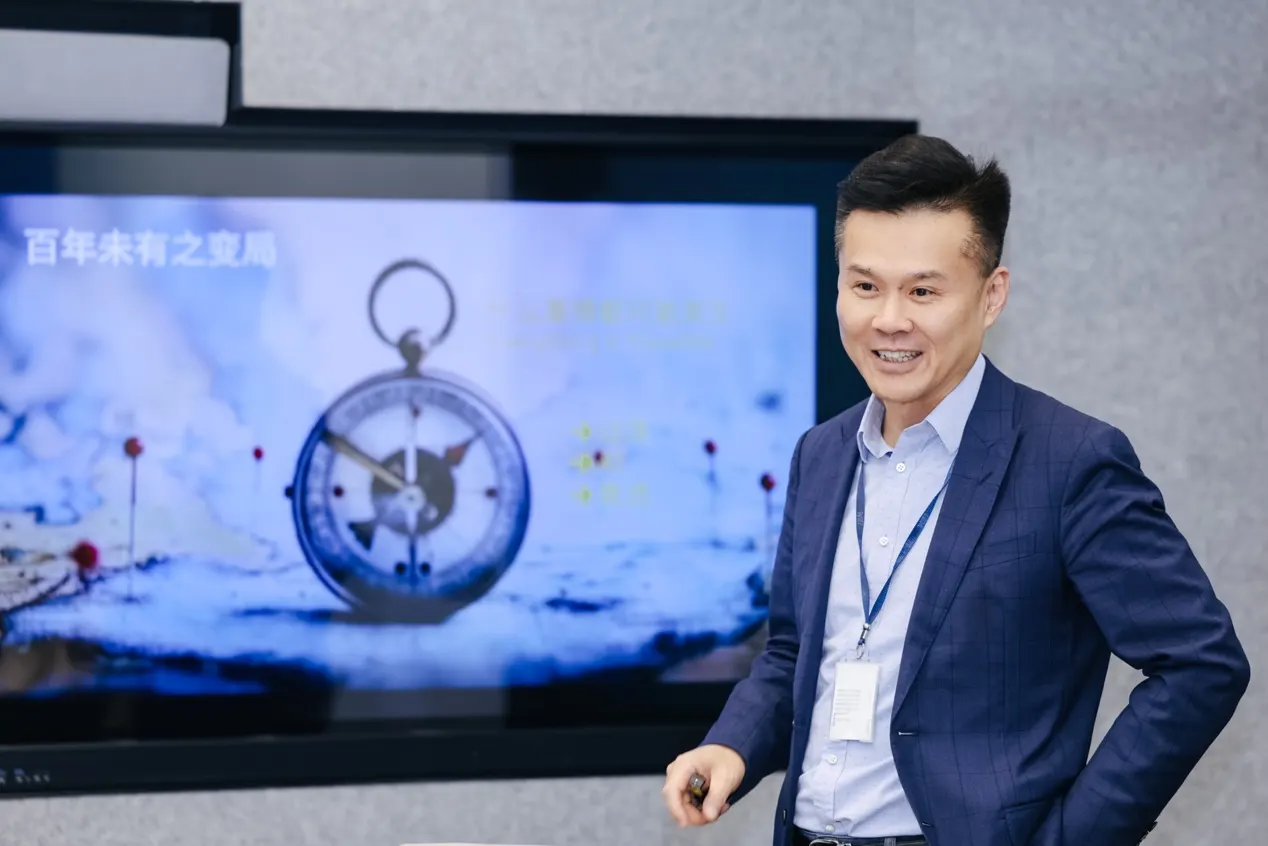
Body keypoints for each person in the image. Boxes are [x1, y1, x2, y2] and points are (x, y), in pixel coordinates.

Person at [661, 134, 1250, 846]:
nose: (889, 319)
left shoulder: (1070, 461)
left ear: (991, 295)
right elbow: (792, 651)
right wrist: (732, 744)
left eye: (923, 291)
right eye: (865, 286)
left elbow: (1200, 665)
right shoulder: (820, 454)